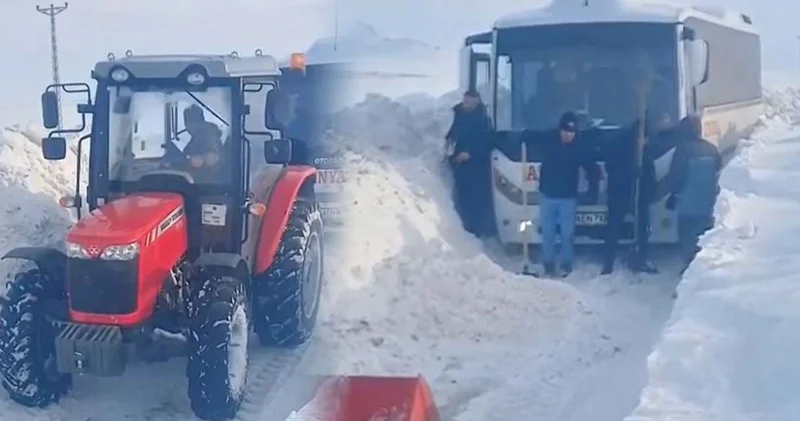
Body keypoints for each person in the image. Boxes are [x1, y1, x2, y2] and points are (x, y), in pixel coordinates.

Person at [601, 113, 669, 275]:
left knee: (636, 227)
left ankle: (637, 258)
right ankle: (611, 262)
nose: (647, 142)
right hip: (622, 193)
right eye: (645, 139)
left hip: (635, 194)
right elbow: (613, 167)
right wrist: (632, 173)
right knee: (618, 226)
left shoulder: (638, 149)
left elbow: (648, 172)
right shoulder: (623, 147)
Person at [536, 111, 600, 277]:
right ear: (560, 130)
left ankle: (566, 263)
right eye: (566, 131)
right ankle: (548, 263)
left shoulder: (579, 147)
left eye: (572, 132)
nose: (569, 135)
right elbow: (530, 137)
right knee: (548, 232)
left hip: (567, 198)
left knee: (567, 234)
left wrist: (593, 189)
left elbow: (591, 167)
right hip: (548, 195)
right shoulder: (548, 140)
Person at [659, 115, 722, 272]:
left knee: (687, 240)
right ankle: (702, 270)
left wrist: (656, 194)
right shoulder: (712, 150)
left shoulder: (683, 151)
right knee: (704, 239)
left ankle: (689, 270)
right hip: (708, 204)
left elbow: (675, 178)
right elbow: (719, 176)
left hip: (687, 205)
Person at [445, 89, 493, 237]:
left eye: (470, 103)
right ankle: (464, 226)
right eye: (465, 102)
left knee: (476, 198)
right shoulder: (456, 113)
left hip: (476, 166)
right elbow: (449, 131)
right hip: (458, 163)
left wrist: (470, 153)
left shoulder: (483, 119)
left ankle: (477, 229)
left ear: (477, 102)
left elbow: (485, 141)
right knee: (462, 196)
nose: (467, 105)